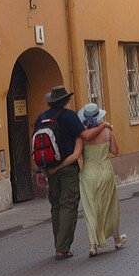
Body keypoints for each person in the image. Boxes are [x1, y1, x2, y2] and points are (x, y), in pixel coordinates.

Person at [34, 85, 110, 261]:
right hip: (68, 168)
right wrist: (104, 125)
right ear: (66, 101)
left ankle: (59, 244)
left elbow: (37, 147)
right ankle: (62, 248)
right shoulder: (69, 116)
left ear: (50, 102)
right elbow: (86, 136)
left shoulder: (41, 118)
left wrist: (39, 170)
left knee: (56, 205)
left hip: (49, 168)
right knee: (68, 205)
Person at [52, 102, 127, 257]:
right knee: (110, 206)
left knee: (90, 210)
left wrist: (56, 168)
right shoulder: (107, 132)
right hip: (106, 172)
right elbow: (115, 151)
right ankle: (117, 239)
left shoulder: (82, 137)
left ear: (84, 118)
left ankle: (93, 245)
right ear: (98, 116)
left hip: (88, 175)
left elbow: (75, 156)